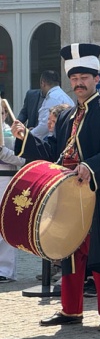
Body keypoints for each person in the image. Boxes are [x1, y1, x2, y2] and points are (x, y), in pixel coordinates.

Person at [12, 43, 100, 331]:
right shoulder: (65, 116)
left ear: (96, 78)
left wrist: (91, 166)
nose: (78, 83)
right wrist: (25, 137)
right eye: (74, 79)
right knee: (70, 252)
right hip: (67, 195)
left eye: (84, 78)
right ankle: (71, 310)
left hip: (95, 194)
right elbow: (51, 151)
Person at [0, 113, 24, 283]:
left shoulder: (10, 133)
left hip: (4, 179)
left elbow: (21, 159)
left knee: (4, 222)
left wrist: (3, 151)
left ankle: (5, 270)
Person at [30, 70, 74, 139]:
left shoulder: (53, 98)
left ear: (43, 83)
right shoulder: (63, 96)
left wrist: (28, 135)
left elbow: (45, 126)